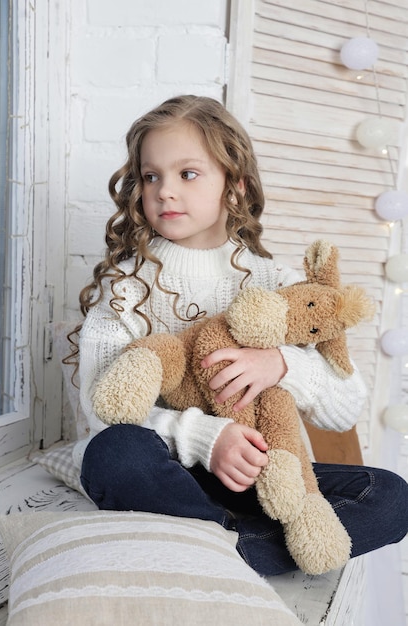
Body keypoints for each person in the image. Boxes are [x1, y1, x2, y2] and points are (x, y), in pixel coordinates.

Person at [71, 94, 408, 577]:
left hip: (263, 476)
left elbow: (346, 406)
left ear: (235, 187)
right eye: (151, 176)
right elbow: (100, 411)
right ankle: (237, 548)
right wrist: (206, 437)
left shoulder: (281, 284)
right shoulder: (124, 288)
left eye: (187, 174)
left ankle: (216, 547)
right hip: (167, 473)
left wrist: (284, 364)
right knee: (112, 454)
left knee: (391, 496)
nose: (165, 191)